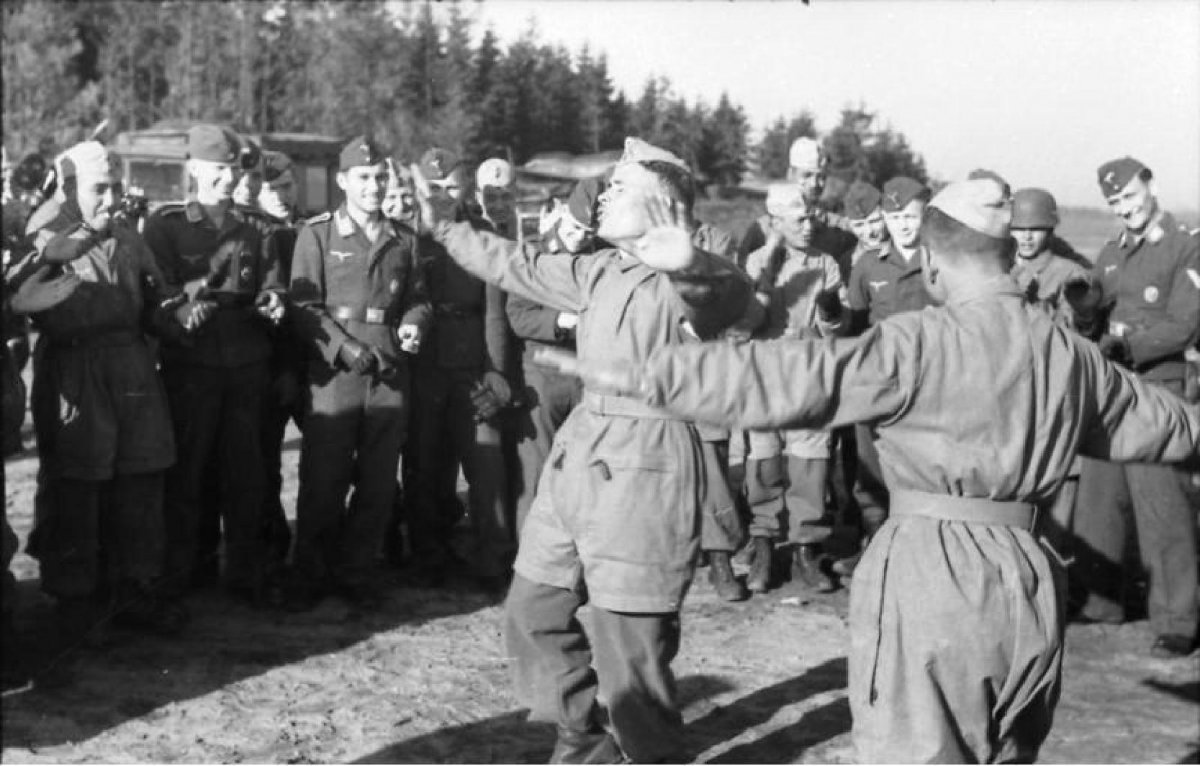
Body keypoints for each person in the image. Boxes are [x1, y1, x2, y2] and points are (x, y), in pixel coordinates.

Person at [553, 177, 1200, 762]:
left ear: (932, 262)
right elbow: (1174, 428)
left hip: (934, 574)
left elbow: (785, 379)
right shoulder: (1070, 353)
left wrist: (644, 373)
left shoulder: (918, 342)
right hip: (1031, 579)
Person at [413, 137, 757, 763]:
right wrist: (449, 227)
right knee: (532, 612)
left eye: (619, 187)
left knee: (631, 655)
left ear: (664, 205)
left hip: (647, 466)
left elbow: (731, 299)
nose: (603, 197)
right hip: (580, 456)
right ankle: (583, 738)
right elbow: (517, 264)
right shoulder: (601, 269)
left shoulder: (689, 277)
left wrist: (688, 262)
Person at [12, 140, 187, 641]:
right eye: (98, 189)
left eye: (114, 187)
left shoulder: (127, 234)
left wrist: (175, 314)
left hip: (131, 365)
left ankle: (134, 588)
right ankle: (75, 600)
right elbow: (24, 296)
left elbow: (153, 297)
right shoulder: (45, 236)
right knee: (78, 484)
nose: (110, 199)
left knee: (141, 477)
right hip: (75, 367)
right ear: (70, 189)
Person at [142, 124, 286, 606]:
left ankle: (245, 573)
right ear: (194, 170)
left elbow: (273, 283)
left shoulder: (257, 226)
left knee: (247, 474)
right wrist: (181, 311)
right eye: (217, 170)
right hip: (192, 366)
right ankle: (183, 575)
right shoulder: (166, 226)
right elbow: (155, 294)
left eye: (232, 170)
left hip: (247, 364)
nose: (228, 179)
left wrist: (272, 300)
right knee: (187, 474)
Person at [286, 136, 429, 611]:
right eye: (364, 178)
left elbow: (418, 298)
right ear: (344, 181)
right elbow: (303, 306)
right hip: (335, 376)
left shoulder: (404, 239)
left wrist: (414, 324)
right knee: (323, 478)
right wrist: (342, 348)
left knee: (378, 481)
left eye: (380, 178)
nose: (374, 186)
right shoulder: (318, 234)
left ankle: (358, 572)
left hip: (388, 372)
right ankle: (311, 572)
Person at [1069, 157, 1199, 657]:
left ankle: (1177, 619)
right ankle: (1099, 599)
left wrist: (1130, 346)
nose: (1125, 208)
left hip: (1159, 387)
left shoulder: (1186, 245)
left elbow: (1185, 325)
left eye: (1129, 195)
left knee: (1161, 503)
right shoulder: (1110, 253)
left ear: (1150, 186)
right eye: (1115, 202)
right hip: (1114, 388)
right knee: (1100, 497)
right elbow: (1094, 322)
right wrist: (1084, 316)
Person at [405, 147, 516, 592]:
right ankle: (428, 553)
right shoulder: (408, 235)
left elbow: (494, 311)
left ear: (465, 188)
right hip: (424, 364)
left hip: (472, 361)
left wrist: (496, 371)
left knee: (485, 462)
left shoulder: (482, 234)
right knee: (424, 462)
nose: (443, 196)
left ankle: (494, 556)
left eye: (451, 187)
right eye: (433, 188)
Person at [740, 183, 846, 594]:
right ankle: (764, 543)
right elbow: (744, 318)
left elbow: (833, 328)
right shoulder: (756, 262)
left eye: (810, 217)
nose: (809, 225)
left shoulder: (825, 263)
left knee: (810, 461)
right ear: (776, 222)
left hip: (808, 374)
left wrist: (831, 312)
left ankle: (806, 547)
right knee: (763, 458)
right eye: (799, 219)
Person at [837, 175, 933, 577]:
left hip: (930, 380)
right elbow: (855, 326)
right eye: (894, 218)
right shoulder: (867, 266)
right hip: (881, 379)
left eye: (910, 216)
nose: (903, 226)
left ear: (925, 214)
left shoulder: (941, 261)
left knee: (924, 465)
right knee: (872, 463)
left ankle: (922, 553)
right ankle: (876, 545)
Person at [1008, 187, 1093, 557]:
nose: (1026, 236)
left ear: (1051, 229)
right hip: (1010, 403)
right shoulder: (1001, 271)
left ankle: (1056, 573)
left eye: (1036, 228)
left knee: (1056, 514)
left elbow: (1077, 341)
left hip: (1054, 401)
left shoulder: (1070, 275)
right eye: (1019, 228)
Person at [736, 137, 857, 270]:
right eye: (807, 175)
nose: (814, 184)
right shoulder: (763, 229)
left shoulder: (837, 228)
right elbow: (740, 272)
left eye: (821, 177)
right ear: (791, 174)